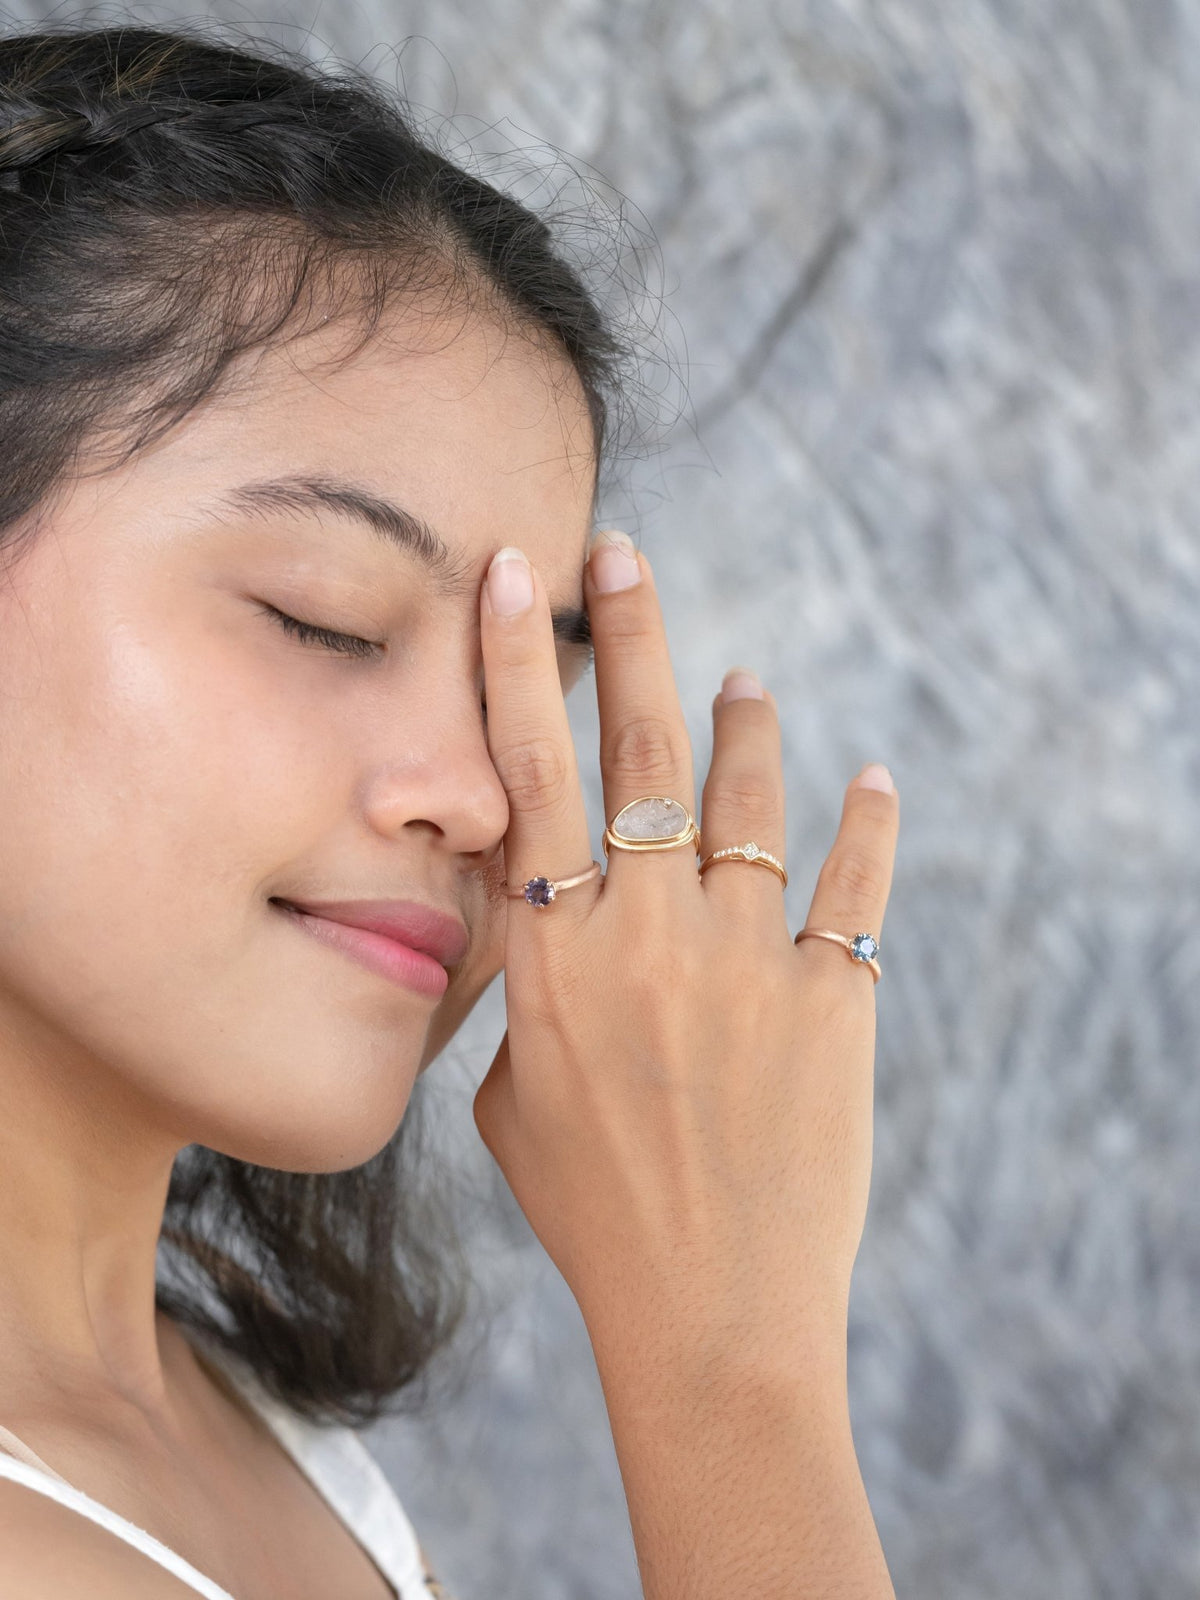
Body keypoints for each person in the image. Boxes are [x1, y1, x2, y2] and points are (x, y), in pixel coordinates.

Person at [0, 19, 900, 1600]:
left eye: (515, 686)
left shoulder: (244, 1442)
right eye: (325, 617)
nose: (489, 798)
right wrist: (729, 1370)